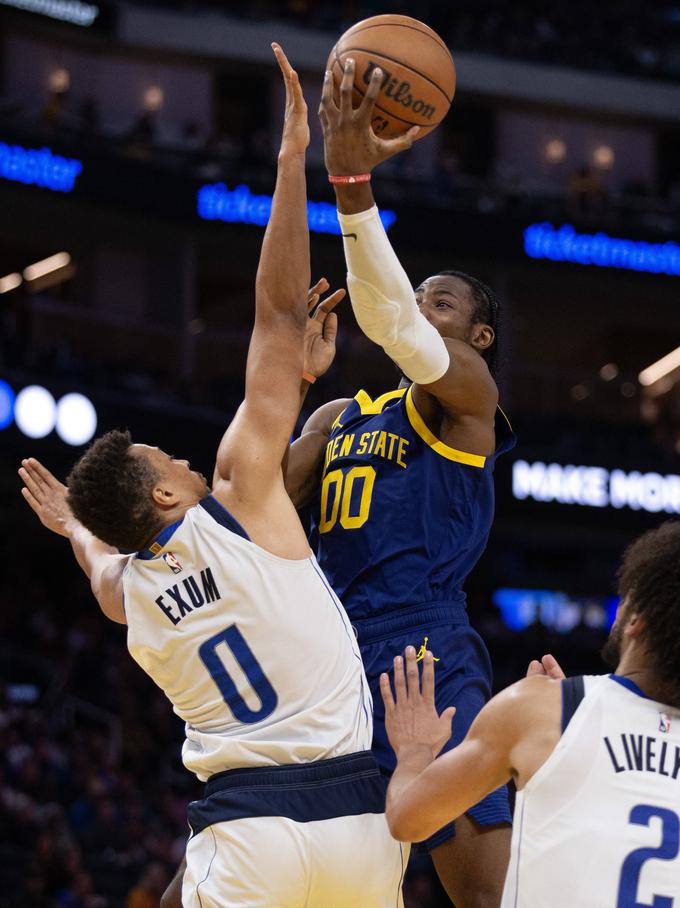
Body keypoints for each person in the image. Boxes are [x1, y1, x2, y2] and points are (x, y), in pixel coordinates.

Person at [18, 45, 405, 908]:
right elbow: (276, 313)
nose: (191, 461)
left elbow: (102, 571)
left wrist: (75, 528)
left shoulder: (135, 602)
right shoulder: (238, 497)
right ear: (162, 495)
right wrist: (290, 156)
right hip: (356, 822)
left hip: (249, 835)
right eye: (171, 463)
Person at [284, 58, 516, 906]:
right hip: (328, 648)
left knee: (481, 892)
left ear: (478, 336)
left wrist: (350, 183)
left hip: (423, 648)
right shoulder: (339, 415)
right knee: (231, 870)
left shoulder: (468, 401)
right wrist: (293, 387)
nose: (423, 305)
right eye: (421, 293)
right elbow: (260, 511)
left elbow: (391, 323)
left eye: (443, 303)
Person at [381, 521, 680, 907]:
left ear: (637, 620)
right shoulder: (556, 710)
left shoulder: (542, 709)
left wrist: (415, 753)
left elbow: (407, 820)